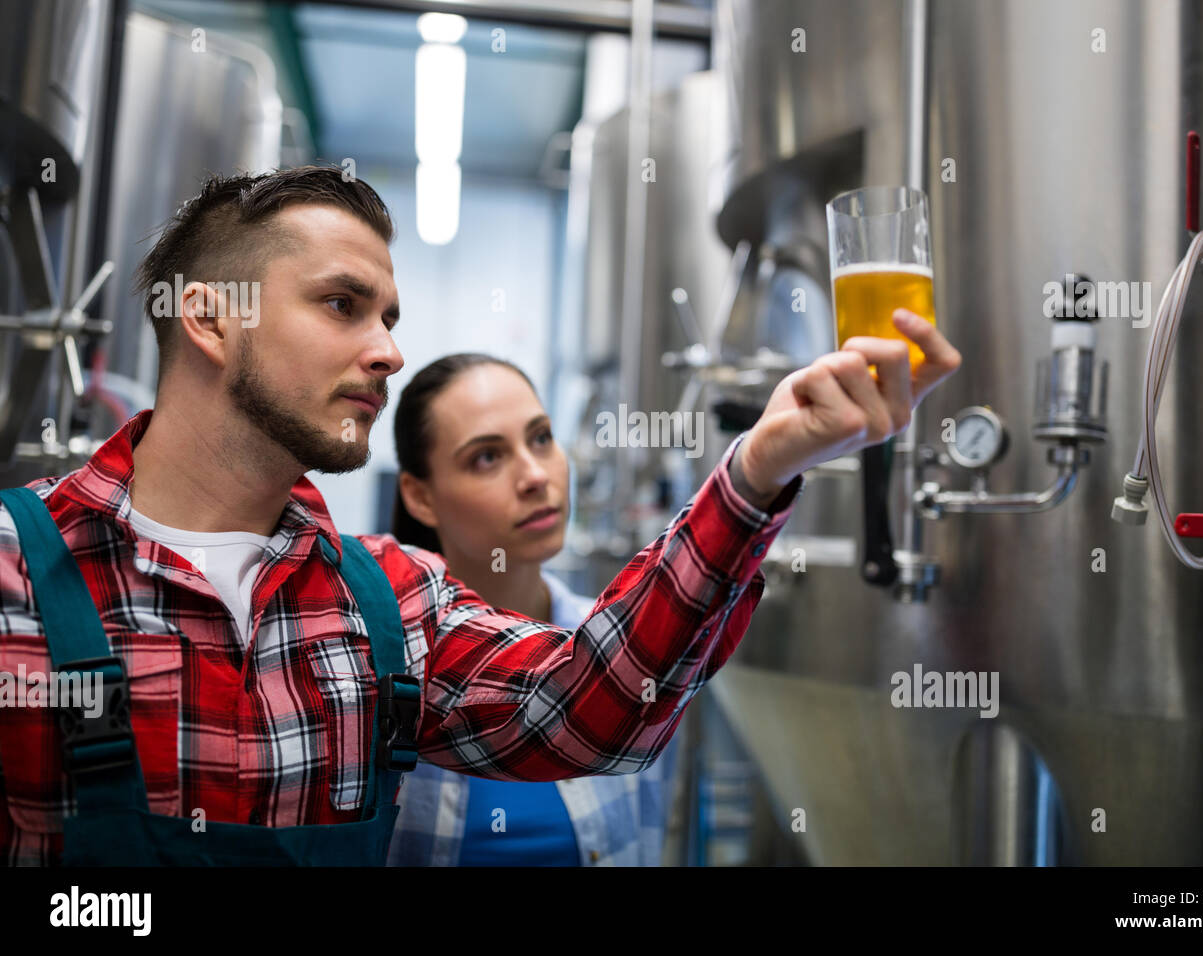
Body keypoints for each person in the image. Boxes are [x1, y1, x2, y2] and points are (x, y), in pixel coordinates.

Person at [0, 166, 961, 866]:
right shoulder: (17, 578)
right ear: (208, 319)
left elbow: (592, 712)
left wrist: (757, 468)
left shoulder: (387, 600)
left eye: (390, 319)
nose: (386, 351)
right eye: (343, 305)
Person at [385, 354, 678, 866]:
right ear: (419, 495)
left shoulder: (627, 649)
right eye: (486, 458)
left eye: (541, 438)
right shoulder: (385, 670)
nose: (535, 476)